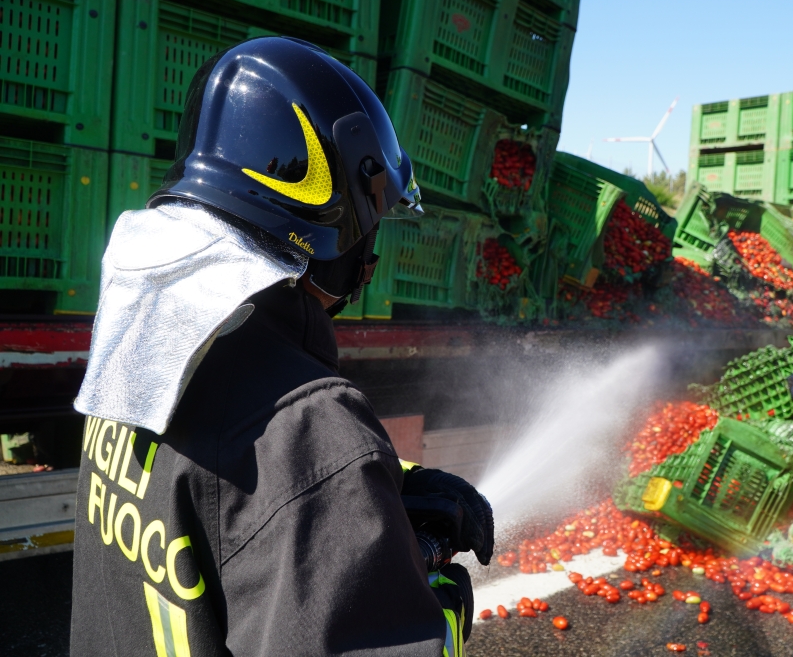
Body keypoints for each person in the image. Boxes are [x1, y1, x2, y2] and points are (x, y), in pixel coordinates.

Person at [70, 36, 492, 657]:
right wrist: (435, 598)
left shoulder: (139, 352)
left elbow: (216, 494)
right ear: (339, 235)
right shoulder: (310, 421)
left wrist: (378, 492)